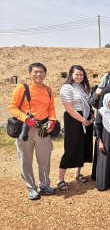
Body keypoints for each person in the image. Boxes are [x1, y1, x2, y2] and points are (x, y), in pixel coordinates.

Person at [8, 63, 57, 200]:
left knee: (44, 159)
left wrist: (52, 120)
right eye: (35, 72)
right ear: (30, 73)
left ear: (45, 74)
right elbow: (12, 108)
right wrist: (25, 119)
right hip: (26, 130)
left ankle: (45, 184)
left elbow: (51, 107)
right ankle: (31, 187)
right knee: (25, 160)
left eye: (41, 72)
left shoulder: (48, 90)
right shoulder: (22, 88)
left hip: (42, 129)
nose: (38, 74)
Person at [58, 65, 94, 191]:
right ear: (71, 75)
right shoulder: (66, 88)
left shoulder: (82, 88)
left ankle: (77, 173)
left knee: (82, 147)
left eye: (81, 75)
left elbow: (88, 104)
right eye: (77, 74)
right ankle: (60, 179)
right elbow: (69, 109)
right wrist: (83, 120)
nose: (79, 77)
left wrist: (91, 117)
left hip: (85, 120)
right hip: (74, 121)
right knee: (71, 148)